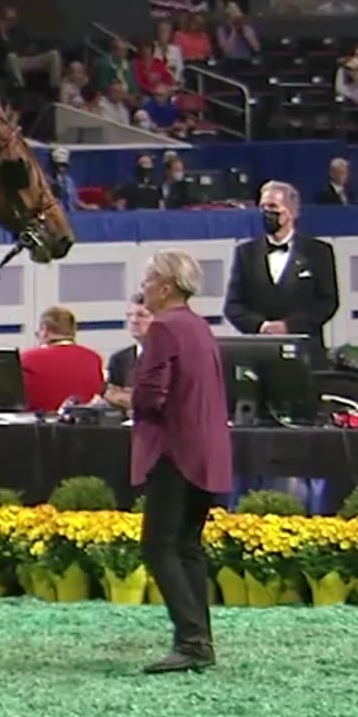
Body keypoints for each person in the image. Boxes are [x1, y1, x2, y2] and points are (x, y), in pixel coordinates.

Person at [131, 248, 231, 674]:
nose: (144, 289)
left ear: (166, 286)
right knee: (188, 546)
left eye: (149, 281)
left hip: (174, 450)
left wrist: (125, 398)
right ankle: (198, 638)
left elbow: (152, 395)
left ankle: (191, 640)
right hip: (207, 449)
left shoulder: (164, 329)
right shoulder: (199, 328)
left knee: (159, 546)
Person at [222, 180, 341, 369]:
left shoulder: (318, 252)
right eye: (262, 207)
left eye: (272, 206)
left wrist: (289, 326)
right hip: (259, 355)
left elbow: (327, 302)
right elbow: (233, 306)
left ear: (292, 211)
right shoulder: (246, 253)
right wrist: (262, 327)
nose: (266, 213)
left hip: (306, 354)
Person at [19, 306, 105, 413]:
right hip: (85, 426)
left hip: (38, 426)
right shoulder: (94, 358)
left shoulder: (27, 358)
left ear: (44, 330)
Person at [103, 294, 154, 412]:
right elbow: (110, 397)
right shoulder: (119, 359)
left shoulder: (170, 357)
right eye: (129, 315)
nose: (133, 320)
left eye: (141, 315)